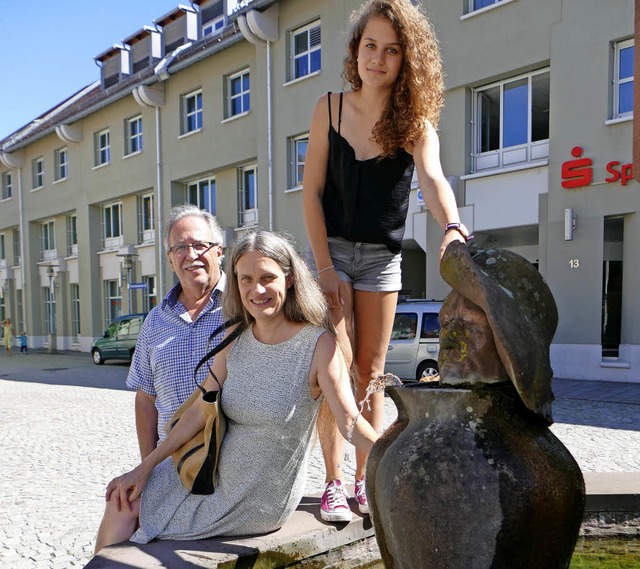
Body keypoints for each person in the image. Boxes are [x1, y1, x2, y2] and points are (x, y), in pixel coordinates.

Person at [94, 230, 379, 552]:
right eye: (246, 279)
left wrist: (396, 450)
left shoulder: (318, 344)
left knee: (136, 520)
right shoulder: (235, 337)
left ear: (288, 279)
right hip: (211, 474)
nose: (256, 289)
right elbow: (199, 411)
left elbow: (349, 422)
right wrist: (144, 468)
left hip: (257, 497)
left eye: (267, 277)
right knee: (122, 499)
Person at [302, 0, 468, 522]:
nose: (378, 58)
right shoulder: (328, 107)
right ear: (357, 51)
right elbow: (310, 194)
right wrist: (325, 269)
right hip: (331, 253)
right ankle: (332, 485)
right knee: (335, 369)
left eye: (391, 50)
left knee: (371, 374)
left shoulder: (414, 124)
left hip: (382, 262)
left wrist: (454, 227)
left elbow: (434, 180)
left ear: (406, 59)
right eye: (370, 46)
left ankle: (364, 480)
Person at [126, 204, 226, 460]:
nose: (191, 255)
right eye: (180, 248)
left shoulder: (244, 309)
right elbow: (146, 398)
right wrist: (149, 467)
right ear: (170, 260)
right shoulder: (155, 321)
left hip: (233, 464)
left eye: (200, 245)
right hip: (173, 467)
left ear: (219, 251)